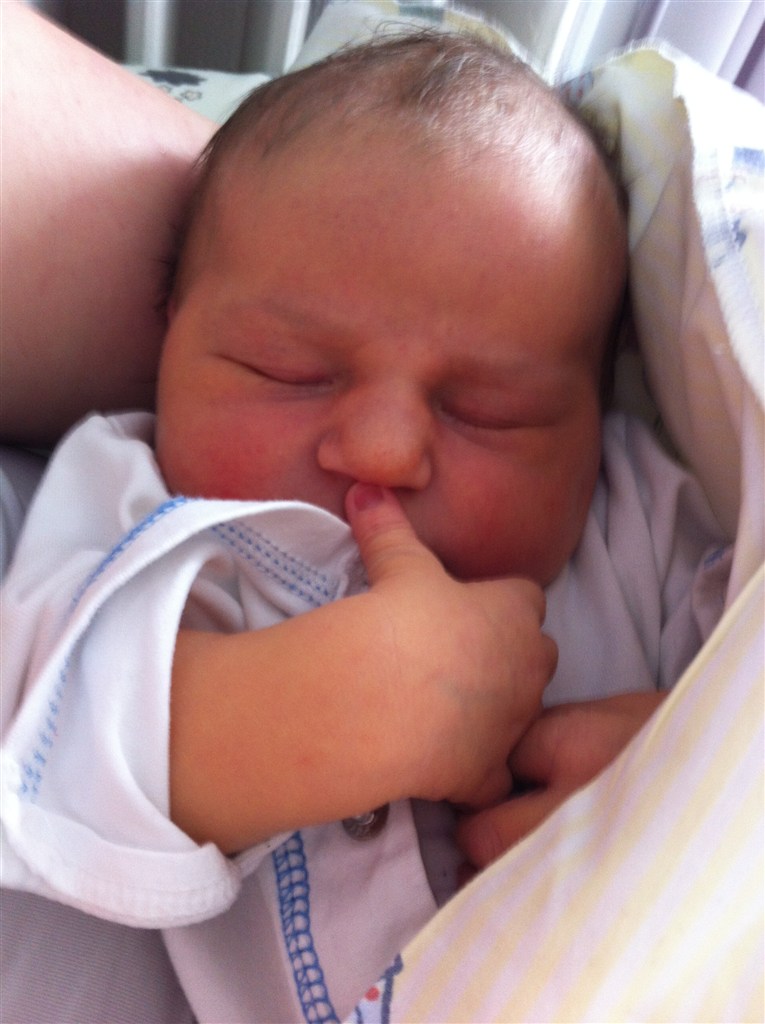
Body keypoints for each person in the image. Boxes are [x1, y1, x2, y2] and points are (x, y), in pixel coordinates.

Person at [1, 17, 730, 1024]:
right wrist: (301, 712)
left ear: (593, 424)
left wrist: (678, 777)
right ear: (165, 340)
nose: (384, 449)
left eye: (488, 411)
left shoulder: (644, 529)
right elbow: (37, 746)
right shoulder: (127, 504)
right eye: (289, 372)